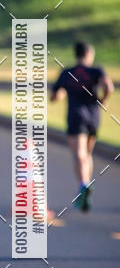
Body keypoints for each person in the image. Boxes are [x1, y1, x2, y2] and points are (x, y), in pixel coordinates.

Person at [51, 41, 114, 212]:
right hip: (94, 117)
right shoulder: (96, 70)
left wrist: (61, 94)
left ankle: (83, 185)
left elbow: (55, 96)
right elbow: (108, 86)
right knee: (87, 153)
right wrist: (104, 100)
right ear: (88, 54)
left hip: (76, 116)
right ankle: (86, 185)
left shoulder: (67, 73)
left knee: (78, 153)